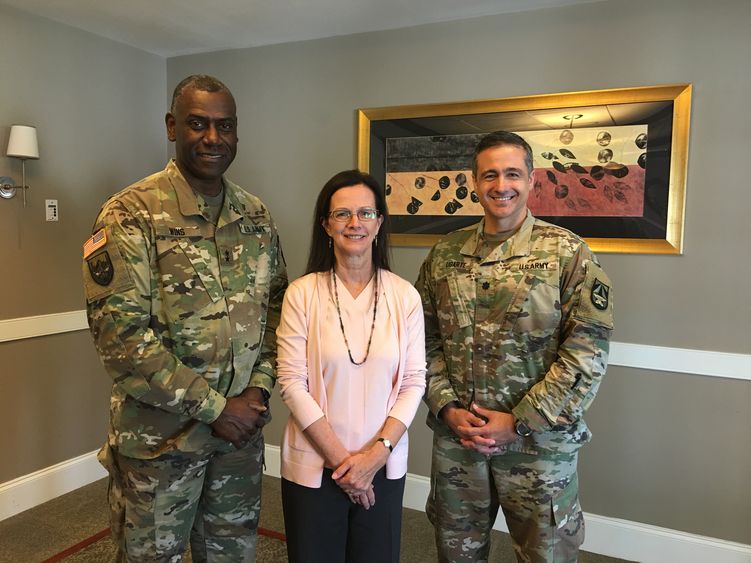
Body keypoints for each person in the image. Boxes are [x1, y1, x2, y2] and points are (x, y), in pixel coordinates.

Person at [82, 74, 287, 562]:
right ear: (173, 127)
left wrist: (256, 391)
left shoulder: (255, 215)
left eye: (225, 126)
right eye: (198, 124)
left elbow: (278, 311)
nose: (213, 138)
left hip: (238, 442)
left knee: (232, 554)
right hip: (161, 446)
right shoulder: (130, 214)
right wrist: (219, 410)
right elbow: (121, 340)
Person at [415, 131, 614, 563]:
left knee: (546, 555)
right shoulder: (444, 254)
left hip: (539, 447)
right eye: (489, 175)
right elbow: (420, 341)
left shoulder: (567, 252)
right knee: (456, 552)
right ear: (474, 181)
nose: (500, 185)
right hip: (459, 442)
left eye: (512, 174)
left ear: (531, 180)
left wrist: (520, 420)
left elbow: (587, 352)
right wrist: (446, 405)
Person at [275, 170, 426, 563]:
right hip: (314, 467)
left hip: (383, 466)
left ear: (379, 223)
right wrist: (346, 467)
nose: (354, 223)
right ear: (326, 225)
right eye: (342, 214)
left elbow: (413, 382)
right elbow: (292, 383)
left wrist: (375, 456)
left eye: (365, 213)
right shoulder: (302, 293)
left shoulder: (404, 296)